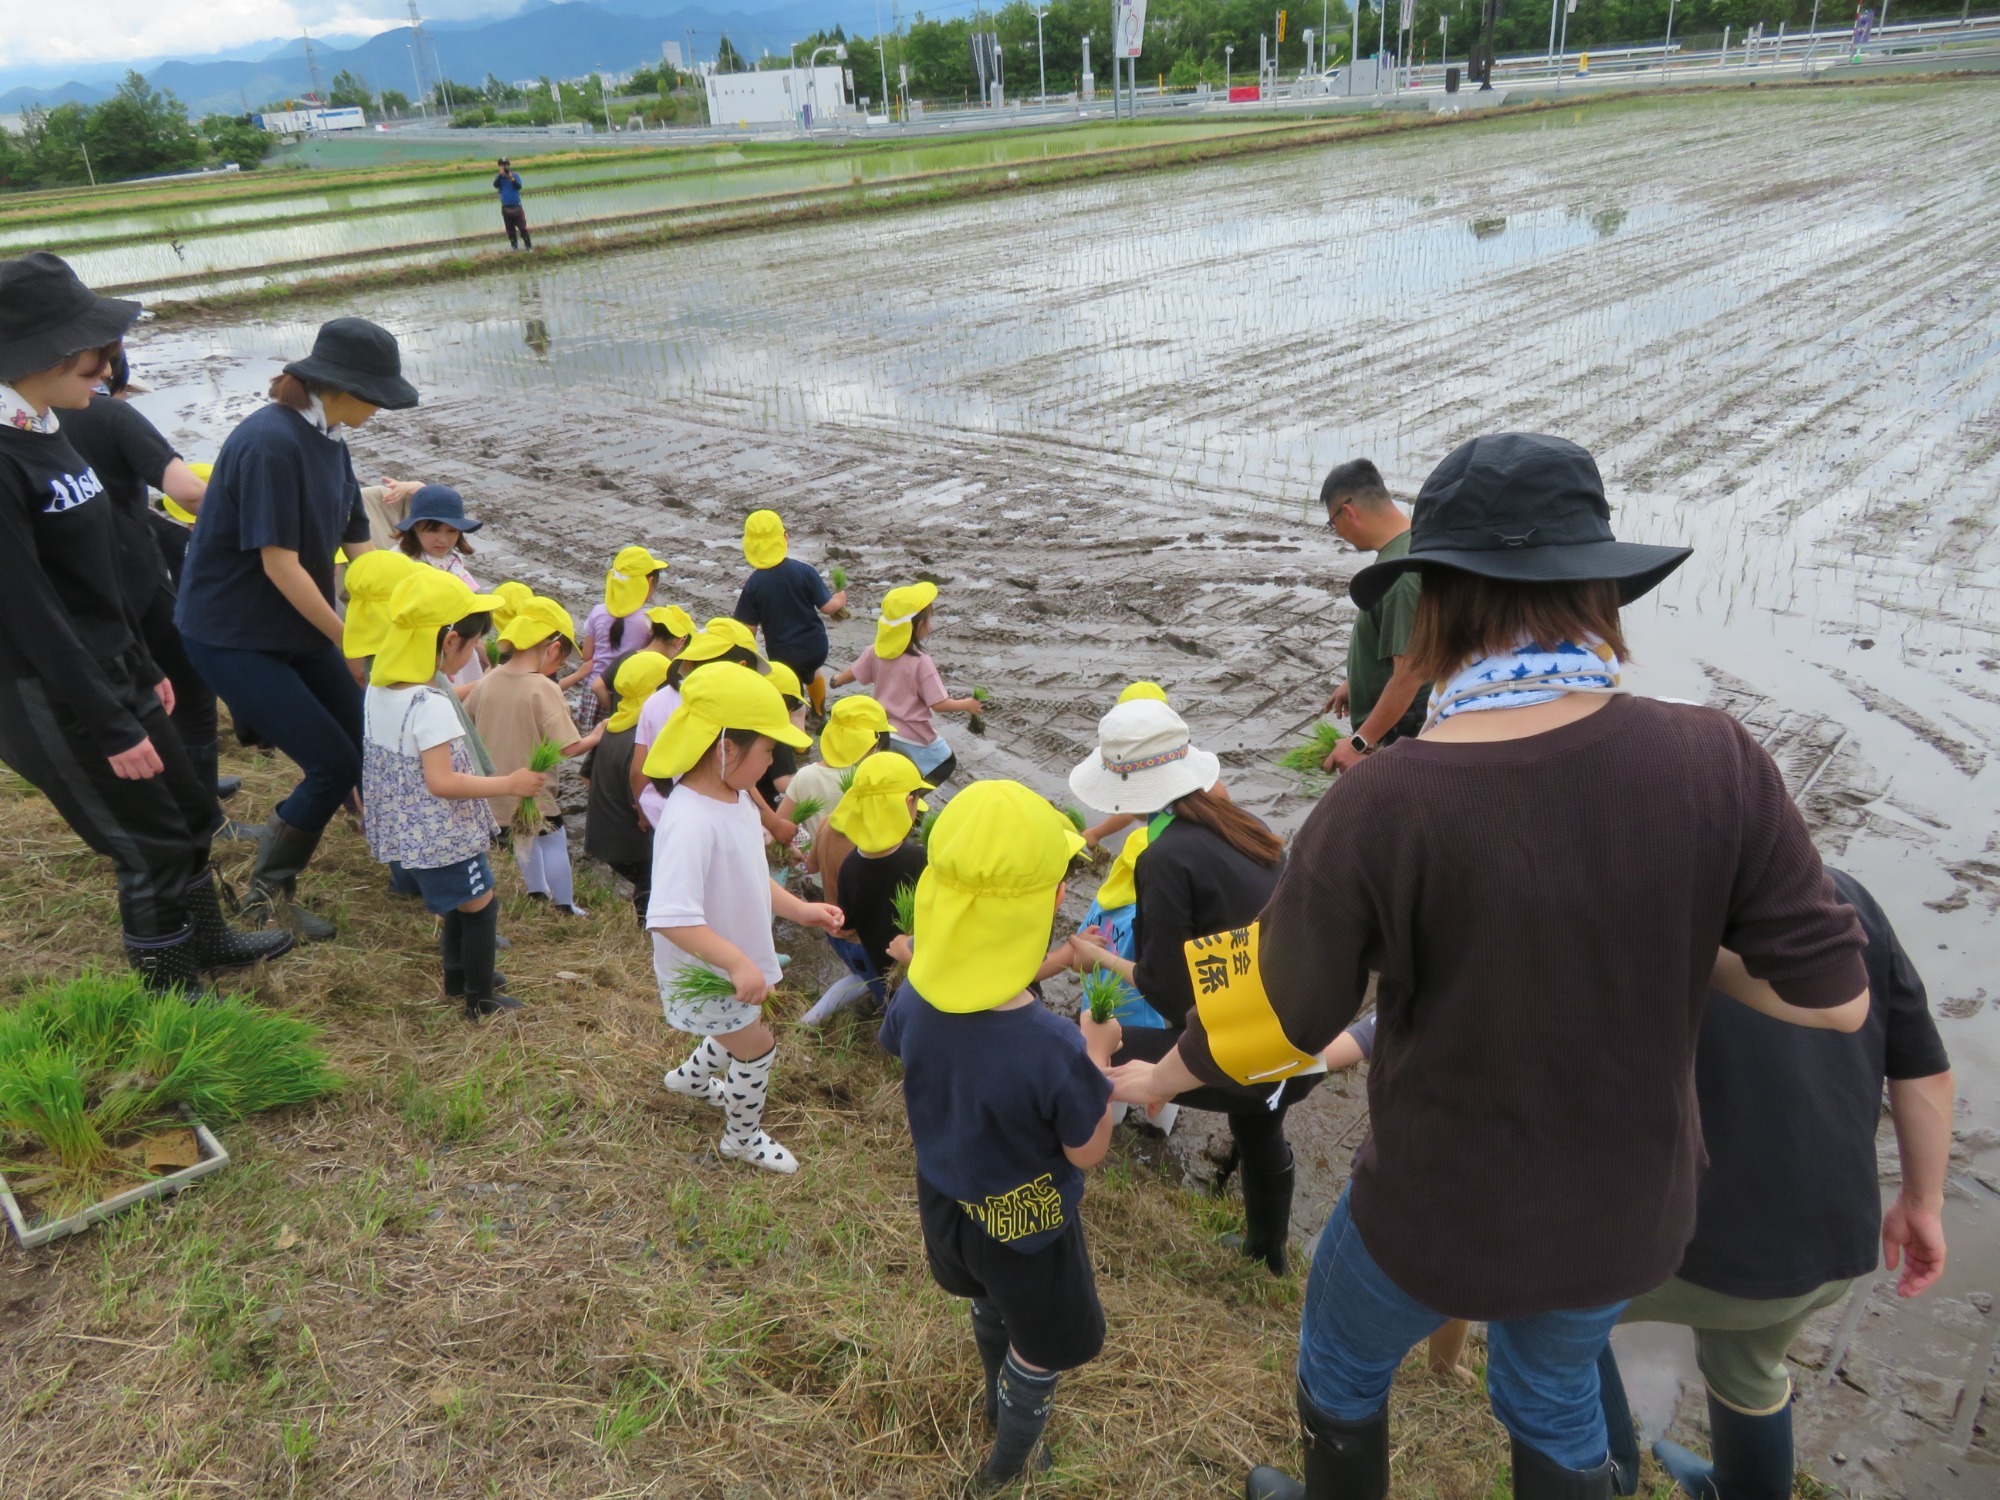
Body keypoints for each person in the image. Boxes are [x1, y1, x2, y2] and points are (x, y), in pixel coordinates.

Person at [1107, 433, 1872, 1500]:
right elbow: (1833, 1001)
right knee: (1551, 1388)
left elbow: (1272, 1016)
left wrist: (1153, 1076)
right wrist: (1675, 935)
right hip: (1626, 1210)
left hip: (1440, 1209)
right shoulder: (1716, 757)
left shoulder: (1383, 800)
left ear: (1435, 604)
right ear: (1598, 589)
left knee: (1340, 1361)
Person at [1597, 869, 1952, 1500]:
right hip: (1834, 1246)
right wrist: (1922, 1202)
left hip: (1695, 1251)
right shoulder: (1842, 894)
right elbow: (1924, 1071)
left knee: (1545, 1310)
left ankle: (1607, 1474)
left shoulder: (1623, 901)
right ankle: (1738, 1487)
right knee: (1751, 1365)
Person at [0, 252, 292, 990]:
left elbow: (94, 576)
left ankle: (211, 941)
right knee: (147, 842)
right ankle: (173, 990)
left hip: (112, 661)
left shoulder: (44, 422)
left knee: (191, 810)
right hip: (48, 685)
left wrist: (144, 664)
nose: (108, 368)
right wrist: (108, 721)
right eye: (95, 353)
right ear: (37, 351)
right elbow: (29, 611)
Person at [878, 779, 1117, 1488]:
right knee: (1043, 1347)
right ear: (1048, 904)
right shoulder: (1054, 1046)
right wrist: (1100, 1055)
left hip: (946, 1192)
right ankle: (1007, 1466)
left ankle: (995, 1397)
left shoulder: (915, 991)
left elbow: (902, 1045)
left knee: (988, 1300)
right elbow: (1088, 1150)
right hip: (1024, 1213)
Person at [175, 316, 420, 941]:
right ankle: (265, 898)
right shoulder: (271, 443)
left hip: (292, 621)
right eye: (378, 397)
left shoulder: (330, 440)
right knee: (331, 762)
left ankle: (412, 867)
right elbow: (280, 565)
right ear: (341, 387)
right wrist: (350, 639)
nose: (380, 409)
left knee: (368, 737)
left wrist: (413, 606)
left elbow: (359, 548)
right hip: (233, 630)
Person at [1065, 698, 1318, 1276]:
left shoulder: (1163, 858)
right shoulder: (1240, 826)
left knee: (1077, 1044)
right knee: (1260, 1125)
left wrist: (1099, 956)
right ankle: (1267, 1252)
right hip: (1298, 1040)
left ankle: (1060, 1187)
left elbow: (1169, 994)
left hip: (1247, 1053)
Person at [647, 663, 841, 1175]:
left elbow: (750, 875)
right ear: (725, 748)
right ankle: (743, 1138)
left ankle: (690, 1079)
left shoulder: (734, 799)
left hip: (729, 963)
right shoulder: (689, 822)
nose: (774, 760)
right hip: (708, 967)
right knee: (756, 1047)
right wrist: (737, 963)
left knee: (740, 1025)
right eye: (767, 751)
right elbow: (670, 916)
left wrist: (801, 910)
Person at [58, 348, 238, 815]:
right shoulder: (113, 415)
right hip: (134, 574)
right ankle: (204, 810)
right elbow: (188, 491)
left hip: (75, 588)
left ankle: (176, 783)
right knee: (192, 693)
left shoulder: (30, 425)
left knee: (133, 692)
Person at [360, 568, 542, 1019]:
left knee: (463, 903)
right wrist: (510, 784)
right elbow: (443, 781)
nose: (476, 651)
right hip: (444, 833)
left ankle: (458, 974)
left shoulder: (379, 689)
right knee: (481, 905)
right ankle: (480, 1000)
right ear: (448, 642)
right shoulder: (430, 704)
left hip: (412, 832)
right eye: (474, 642)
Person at [466, 594, 603, 917]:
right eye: (561, 659)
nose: (558, 668)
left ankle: (537, 890)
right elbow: (568, 747)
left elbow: (467, 721)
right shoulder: (543, 688)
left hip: (496, 788)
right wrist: (596, 735)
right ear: (553, 647)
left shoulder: (488, 680)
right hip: (532, 788)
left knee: (522, 838)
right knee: (552, 838)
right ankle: (565, 904)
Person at [1318, 459, 1427, 774]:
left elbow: (1411, 672)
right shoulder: (1414, 545)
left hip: (1402, 730)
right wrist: (1358, 680)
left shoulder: (1402, 574)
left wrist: (1359, 744)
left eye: (1332, 523)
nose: (1337, 532)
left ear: (1348, 512)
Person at [811, 751, 931, 1022]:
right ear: (909, 803)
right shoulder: (920, 861)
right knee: (908, 1009)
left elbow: (847, 920)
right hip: (912, 962)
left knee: (889, 997)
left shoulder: (850, 864)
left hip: (877, 961)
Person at [831, 582, 983, 785]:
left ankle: (905, 797)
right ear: (919, 625)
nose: (931, 624)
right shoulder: (921, 662)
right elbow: (938, 703)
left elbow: (854, 672)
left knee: (896, 775)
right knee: (946, 763)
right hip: (915, 736)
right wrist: (967, 704)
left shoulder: (876, 651)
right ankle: (914, 803)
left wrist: (837, 680)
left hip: (885, 733)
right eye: (929, 619)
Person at [733, 509, 847, 718]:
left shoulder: (754, 584)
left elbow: (747, 629)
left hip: (782, 652)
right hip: (814, 647)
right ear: (785, 537)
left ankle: (797, 727)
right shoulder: (804, 571)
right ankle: (820, 712)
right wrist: (840, 599)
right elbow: (827, 607)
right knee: (812, 673)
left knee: (791, 688)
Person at [584, 651, 670, 926]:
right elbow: (643, 781)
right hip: (631, 839)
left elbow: (586, 776)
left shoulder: (614, 724)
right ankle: (648, 928)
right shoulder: (644, 736)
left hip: (602, 831)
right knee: (651, 878)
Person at [395, 484, 487, 687]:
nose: (443, 539)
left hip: (459, 645)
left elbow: (472, 601)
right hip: (424, 651)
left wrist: (477, 641)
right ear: (415, 527)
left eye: (451, 531)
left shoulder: (452, 560)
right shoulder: (401, 562)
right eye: (433, 530)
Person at [570, 544, 668, 730]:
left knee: (591, 737)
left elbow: (587, 655)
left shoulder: (598, 612)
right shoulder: (647, 622)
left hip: (593, 691)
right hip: (623, 693)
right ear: (648, 584)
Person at [493, 159, 531, 250]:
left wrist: (511, 178)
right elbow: (495, 185)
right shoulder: (499, 178)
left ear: (509, 166)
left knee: (522, 228)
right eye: (501, 165)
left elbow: (519, 186)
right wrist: (500, 175)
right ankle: (514, 247)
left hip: (516, 207)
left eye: (505, 165)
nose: (503, 167)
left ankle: (528, 247)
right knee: (510, 230)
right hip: (506, 208)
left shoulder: (515, 175)